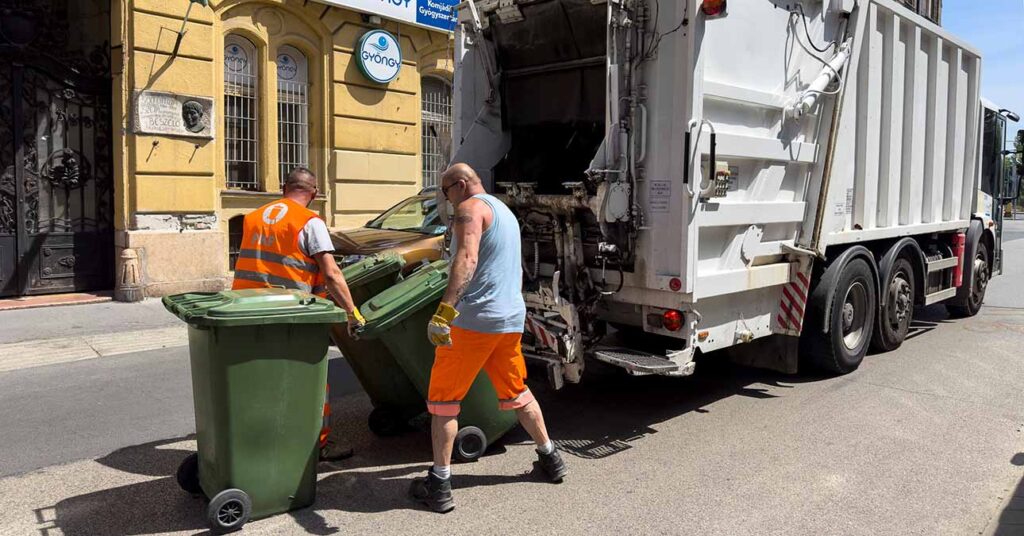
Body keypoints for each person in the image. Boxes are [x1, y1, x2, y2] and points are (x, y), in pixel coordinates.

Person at [409, 163, 568, 513]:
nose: (448, 201)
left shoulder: (470, 208)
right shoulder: (504, 211)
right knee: (517, 391)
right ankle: (551, 458)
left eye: (447, 191)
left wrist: (444, 312)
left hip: (473, 321)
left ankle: (439, 484)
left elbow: (467, 259)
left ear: (461, 184)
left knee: (444, 403)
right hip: (509, 319)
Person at [232, 167, 364, 461]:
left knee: (261, 380)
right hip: (290, 317)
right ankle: (317, 445)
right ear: (314, 194)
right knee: (310, 383)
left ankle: (262, 440)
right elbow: (331, 273)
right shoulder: (309, 222)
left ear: (284, 187)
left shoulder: (253, 218)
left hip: (246, 314)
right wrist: (352, 312)